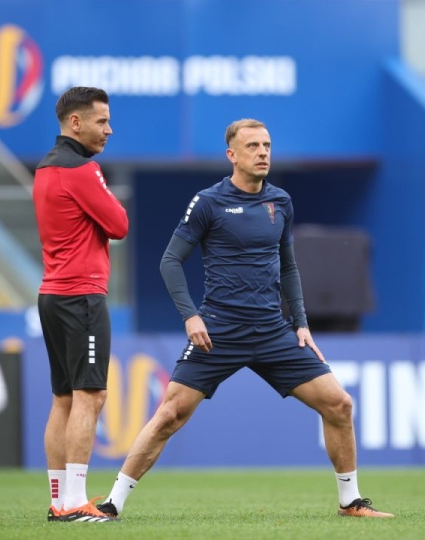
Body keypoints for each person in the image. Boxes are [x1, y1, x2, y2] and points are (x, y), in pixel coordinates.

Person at [96, 118, 392, 519]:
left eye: (267, 145)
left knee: (339, 404)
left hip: (273, 331)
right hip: (217, 331)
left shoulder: (281, 202)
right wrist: (190, 317)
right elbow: (169, 261)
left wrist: (301, 323)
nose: (263, 152)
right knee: (169, 414)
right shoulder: (208, 202)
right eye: (253, 146)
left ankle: (350, 502)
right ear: (231, 155)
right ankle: (113, 503)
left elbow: (289, 267)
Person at [33, 86, 128, 523]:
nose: (109, 129)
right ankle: (74, 501)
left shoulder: (45, 169)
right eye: (101, 121)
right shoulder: (81, 170)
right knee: (90, 395)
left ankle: (59, 499)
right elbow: (119, 224)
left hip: (51, 294)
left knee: (63, 399)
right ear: (76, 123)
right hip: (82, 296)